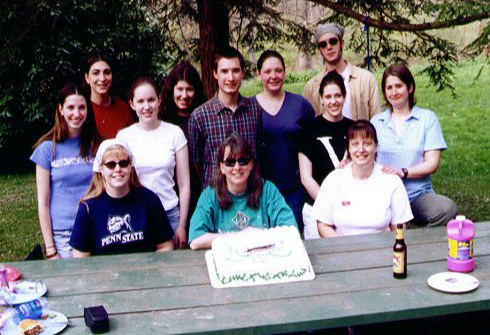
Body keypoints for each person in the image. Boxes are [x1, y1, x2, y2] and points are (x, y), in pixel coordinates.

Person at [371, 64, 458, 227]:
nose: (394, 92)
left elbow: (432, 164)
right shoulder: (376, 122)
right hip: (385, 196)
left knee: (447, 209)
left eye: (398, 86)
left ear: (410, 87)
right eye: (389, 87)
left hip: (417, 196)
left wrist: (403, 172)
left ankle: (424, 248)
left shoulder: (427, 119)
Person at [116, 78, 190, 248]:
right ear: (132, 104)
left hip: (169, 213)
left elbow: (184, 185)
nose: (146, 106)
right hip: (135, 215)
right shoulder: (123, 137)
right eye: (140, 101)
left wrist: (181, 225)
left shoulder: (174, 133)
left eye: (151, 100)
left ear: (159, 100)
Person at [189, 134, 298, 250]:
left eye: (243, 161)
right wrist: (241, 236)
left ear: (251, 164)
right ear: (222, 167)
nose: (237, 167)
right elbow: (195, 240)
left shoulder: (268, 190)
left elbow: (291, 229)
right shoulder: (210, 195)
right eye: (230, 162)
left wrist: (260, 237)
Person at [70, 139, 174, 256]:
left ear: (131, 167)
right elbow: (80, 258)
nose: (118, 169)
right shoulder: (88, 208)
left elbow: (166, 246)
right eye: (111, 165)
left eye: (123, 163)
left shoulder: (149, 200)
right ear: (101, 170)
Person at [31, 83, 99, 259]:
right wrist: (51, 249)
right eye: (70, 107)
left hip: (96, 226)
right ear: (60, 109)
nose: (76, 114)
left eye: (82, 107)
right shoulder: (47, 150)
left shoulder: (97, 146)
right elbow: (43, 203)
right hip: (64, 233)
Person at [312, 120, 413, 237]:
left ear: (376, 147)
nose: (361, 149)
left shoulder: (391, 181)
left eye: (367, 143)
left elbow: (399, 228)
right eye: (355, 144)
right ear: (348, 149)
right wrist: (344, 250)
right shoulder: (334, 179)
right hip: (342, 250)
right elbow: (323, 224)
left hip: (381, 250)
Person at [252, 50, 315, 234]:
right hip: (258, 193)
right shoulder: (248, 107)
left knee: (292, 241)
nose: (274, 76)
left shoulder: (300, 105)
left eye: (278, 70)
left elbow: (313, 147)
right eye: (268, 71)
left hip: (293, 191)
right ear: (259, 74)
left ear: (285, 73)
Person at [188, 46, 262, 188]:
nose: (231, 78)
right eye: (224, 71)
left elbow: (257, 152)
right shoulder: (200, 116)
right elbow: (197, 162)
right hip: (215, 195)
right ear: (215, 74)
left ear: (242, 73)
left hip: (249, 194)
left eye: (235, 71)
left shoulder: (254, 110)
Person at [298, 71, 354, 239]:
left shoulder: (354, 129)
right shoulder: (309, 129)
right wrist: (329, 205)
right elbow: (306, 178)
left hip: (349, 209)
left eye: (337, 95)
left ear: (344, 97)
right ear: (321, 99)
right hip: (317, 207)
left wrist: (344, 206)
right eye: (328, 97)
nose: (333, 101)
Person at [160, 61, 207, 230]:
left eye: (190, 89)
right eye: (180, 89)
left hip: (198, 191)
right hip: (169, 191)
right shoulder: (161, 120)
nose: (184, 95)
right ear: (171, 89)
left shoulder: (202, 118)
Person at [303, 23, 381, 120]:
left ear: (342, 43)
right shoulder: (311, 88)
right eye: (323, 44)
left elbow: (377, 121)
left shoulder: (366, 79)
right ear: (319, 50)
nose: (329, 47)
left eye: (333, 41)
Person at [84, 54, 134, 139]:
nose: (102, 78)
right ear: (87, 78)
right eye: (96, 73)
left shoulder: (122, 108)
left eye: (107, 72)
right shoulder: (82, 109)